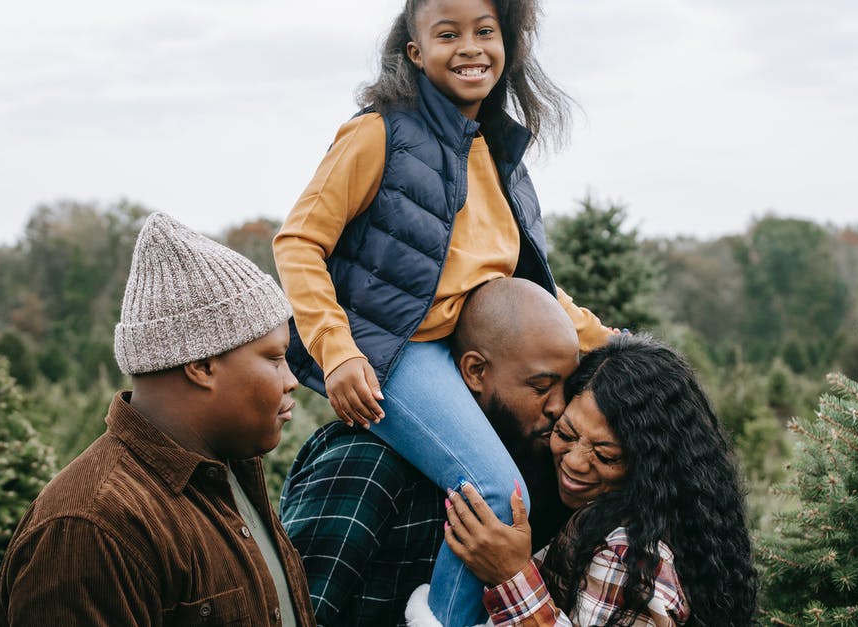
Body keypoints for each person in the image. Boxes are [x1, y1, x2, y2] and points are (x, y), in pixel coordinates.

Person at [272, 1, 615, 623]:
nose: (470, 48)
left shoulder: (501, 151)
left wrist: (612, 345)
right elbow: (298, 242)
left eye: (485, 32)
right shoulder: (378, 133)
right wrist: (337, 349)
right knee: (494, 492)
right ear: (414, 50)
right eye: (448, 34)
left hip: (461, 348)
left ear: (507, 43)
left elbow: (529, 286)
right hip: (394, 352)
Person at [0, 213, 316, 626]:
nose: (292, 381)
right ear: (201, 365)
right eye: (274, 359)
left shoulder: (230, 477)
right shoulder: (92, 530)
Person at [280, 278, 579, 625]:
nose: (559, 407)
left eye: (566, 388)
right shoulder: (368, 465)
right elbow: (293, 614)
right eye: (541, 386)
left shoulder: (540, 478)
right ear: (475, 371)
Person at [431, 334, 758, 627]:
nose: (573, 461)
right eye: (565, 432)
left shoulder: (631, 556)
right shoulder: (632, 517)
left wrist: (512, 576)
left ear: (651, 467)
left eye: (606, 456)